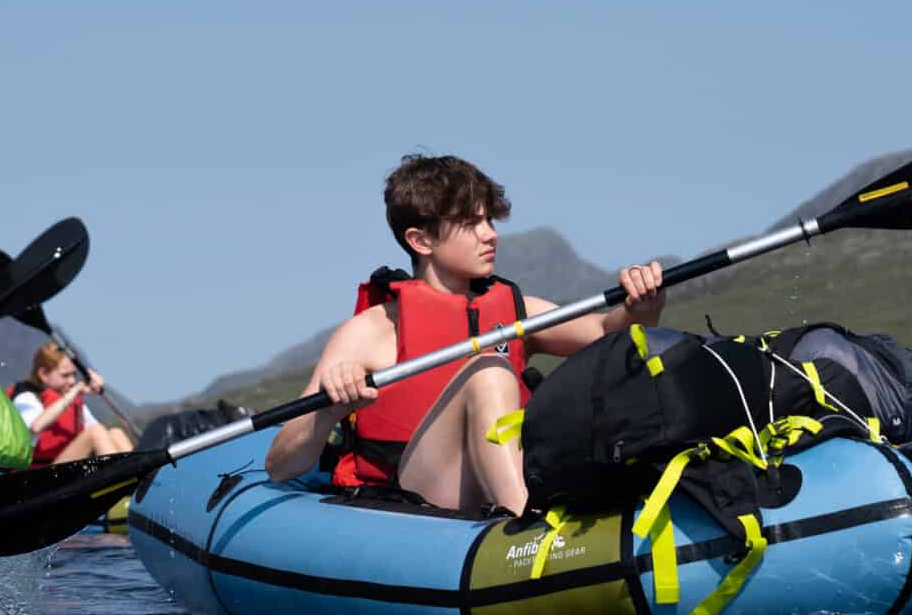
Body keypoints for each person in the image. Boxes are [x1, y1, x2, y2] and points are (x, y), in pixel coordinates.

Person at [264, 154, 665, 515]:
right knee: (489, 369)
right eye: (471, 224)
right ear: (420, 241)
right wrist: (329, 409)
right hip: (419, 494)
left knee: (498, 370)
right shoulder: (370, 331)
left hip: (511, 478)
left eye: (489, 220)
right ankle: (526, 525)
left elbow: (605, 331)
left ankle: (531, 513)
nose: (490, 234)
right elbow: (281, 465)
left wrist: (641, 308)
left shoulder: (516, 309)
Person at [12, 342, 134, 465]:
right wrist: (75, 392)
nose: (72, 381)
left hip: (66, 470)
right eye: (65, 375)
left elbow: (101, 433)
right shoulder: (26, 397)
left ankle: (138, 473)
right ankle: (121, 474)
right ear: (43, 374)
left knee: (116, 433)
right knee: (94, 433)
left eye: (74, 374)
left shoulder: (72, 400)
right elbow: (35, 427)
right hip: (37, 476)